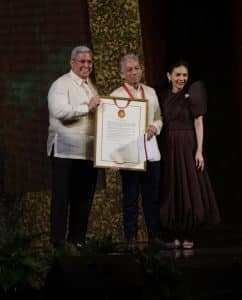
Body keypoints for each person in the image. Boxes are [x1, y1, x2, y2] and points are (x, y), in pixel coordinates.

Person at [158, 60, 220, 249]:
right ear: (169, 76)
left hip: (187, 144)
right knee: (173, 187)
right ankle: (175, 232)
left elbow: (198, 123)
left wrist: (199, 150)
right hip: (169, 146)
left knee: (189, 186)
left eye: (184, 75)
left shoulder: (193, 93)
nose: (181, 78)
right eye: (177, 75)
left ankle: (189, 234)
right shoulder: (163, 97)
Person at [47, 45, 100, 247]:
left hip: (87, 153)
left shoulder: (91, 87)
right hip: (65, 152)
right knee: (62, 200)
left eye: (89, 62)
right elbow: (60, 111)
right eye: (82, 61)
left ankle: (77, 241)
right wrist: (87, 107)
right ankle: (58, 245)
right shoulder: (61, 84)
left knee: (83, 200)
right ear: (72, 63)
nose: (87, 65)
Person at [110, 53, 163, 249]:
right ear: (122, 74)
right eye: (129, 69)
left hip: (151, 152)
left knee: (152, 198)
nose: (134, 72)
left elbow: (159, 118)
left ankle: (154, 237)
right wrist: (113, 158)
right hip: (130, 155)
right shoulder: (116, 95)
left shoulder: (150, 92)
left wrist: (155, 127)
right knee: (130, 198)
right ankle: (130, 239)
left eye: (137, 68)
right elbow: (112, 129)